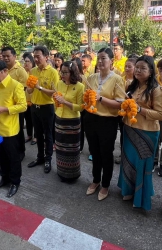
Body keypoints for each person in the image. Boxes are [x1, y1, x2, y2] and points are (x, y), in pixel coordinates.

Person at [117, 56, 162, 209]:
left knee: (141, 164)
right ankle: (128, 189)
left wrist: (140, 110)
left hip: (147, 132)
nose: (138, 70)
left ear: (151, 71)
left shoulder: (157, 90)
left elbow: (161, 114)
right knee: (128, 161)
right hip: (129, 128)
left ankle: (140, 196)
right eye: (137, 67)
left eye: (143, 68)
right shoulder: (131, 86)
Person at [85, 48, 126, 201]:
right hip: (91, 119)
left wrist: (100, 98)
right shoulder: (92, 77)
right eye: (99, 59)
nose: (100, 61)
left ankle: (105, 184)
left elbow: (119, 104)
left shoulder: (117, 79)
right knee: (94, 152)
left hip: (107, 121)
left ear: (111, 61)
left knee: (106, 154)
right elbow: (87, 98)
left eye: (104, 58)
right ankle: (96, 180)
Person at [0, 59, 27, 198]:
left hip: (9, 129)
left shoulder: (15, 86)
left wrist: (5, 109)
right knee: (0, 156)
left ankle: (15, 182)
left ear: (5, 71)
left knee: (13, 158)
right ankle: (4, 178)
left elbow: (23, 106)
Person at [27, 46, 59, 174]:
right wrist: (29, 88)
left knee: (48, 134)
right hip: (35, 107)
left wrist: (39, 88)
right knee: (38, 134)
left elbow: (55, 93)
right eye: (34, 56)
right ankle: (40, 157)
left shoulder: (53, 72)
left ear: (46, 57)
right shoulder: (33, 71)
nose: (35, 59)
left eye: (38, 56)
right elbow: (29, 89)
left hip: (47, 107)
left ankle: (48, 159)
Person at [53, 61, 84, 181]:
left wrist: (65, 102)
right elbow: (56, 98)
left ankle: (72, 175)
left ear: (73, 73)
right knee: (60, 148)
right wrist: (56, 99)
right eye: (62, 72)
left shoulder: (79, 86)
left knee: (72, 150)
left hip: (72, 122)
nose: (63, 75)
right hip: (59, 119)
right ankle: (61, 172)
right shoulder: (59, 83)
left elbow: (81, 107)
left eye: (66, 72)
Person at [2, 46, 29, 161]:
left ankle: (21, 150)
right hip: (5, 106)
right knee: (7, 129)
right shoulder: (2, 69)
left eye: (8, 56)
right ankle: (10, 149)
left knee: (18, 130)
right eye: (4, 56)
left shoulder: (20, 70)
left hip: (17, 105)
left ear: (14, 56)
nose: (6, 58)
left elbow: (24, 88)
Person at [115, 57, 137, 164]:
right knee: (123, 134)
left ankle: (131, 156)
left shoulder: (138, 82)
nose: (127, 69)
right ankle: (122, 154)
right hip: (122, 112)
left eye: (130, 67)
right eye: (126, 66)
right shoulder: (121, 79)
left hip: (134, 113)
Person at [23, 53, 36, 145]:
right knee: (27, 118)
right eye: (25, 61)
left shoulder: (34, 72)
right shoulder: (23, 72)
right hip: (25, 98)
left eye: (28, 61)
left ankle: (36, 136)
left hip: (34, 98)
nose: (26, 63)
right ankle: (29, 134)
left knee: (34, 119)